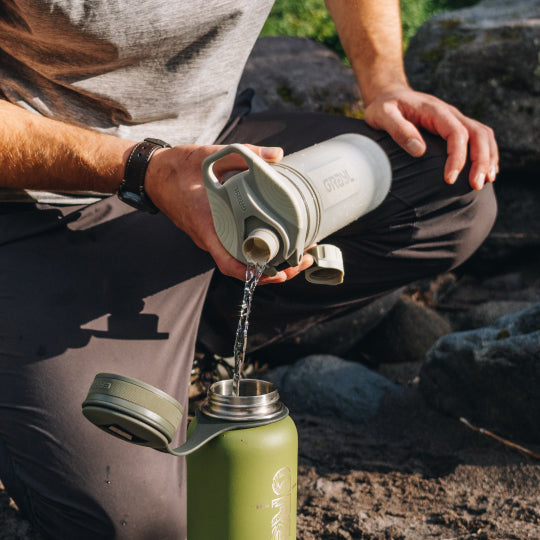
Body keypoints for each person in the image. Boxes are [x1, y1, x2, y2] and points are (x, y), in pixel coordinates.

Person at [0, 1, 497, 538]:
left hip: (222, 156)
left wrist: (384, 81)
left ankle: (191, 326)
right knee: (140, 528)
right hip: (42, 202)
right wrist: (145, 168)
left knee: (453, 189)